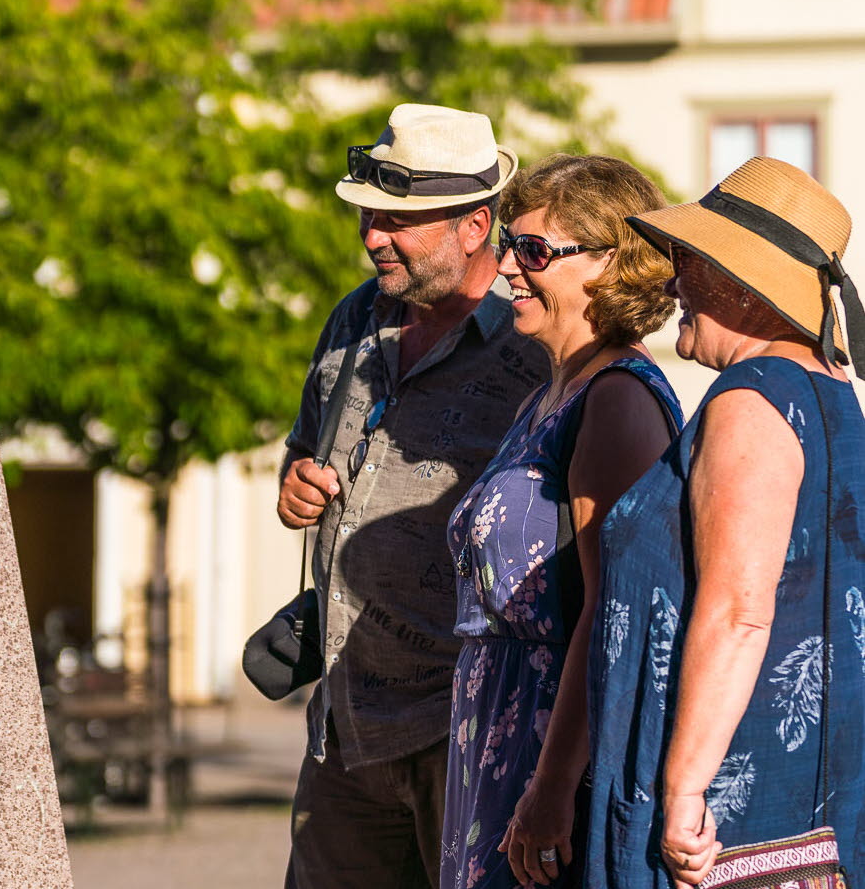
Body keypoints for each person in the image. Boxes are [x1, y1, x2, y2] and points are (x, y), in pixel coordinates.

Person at [277, 103, 548, 889]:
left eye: (398, 222)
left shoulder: (533, 348)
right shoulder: (354, 320)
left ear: (475, 225)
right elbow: (303, 448)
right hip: (343, 729)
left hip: (462, 733)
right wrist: (294, 484)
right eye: (368, 215)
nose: (371, 236)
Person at [586, 156, 865, 887]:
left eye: (694, 260)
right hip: (808, 802)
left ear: (745, 286)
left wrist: (682, 790)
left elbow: (740, 610)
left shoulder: (752, 397)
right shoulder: (831, 392)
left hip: (728, 817)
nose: (676, 277)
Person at [442, 155, 682, 889]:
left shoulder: (615, 399)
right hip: (495, 739)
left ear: (611, 264)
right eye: (510, 243)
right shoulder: (547, 397)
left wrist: (550, 789)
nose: (509, 266)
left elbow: (610, 614)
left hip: (548, 751)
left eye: (536, 250)